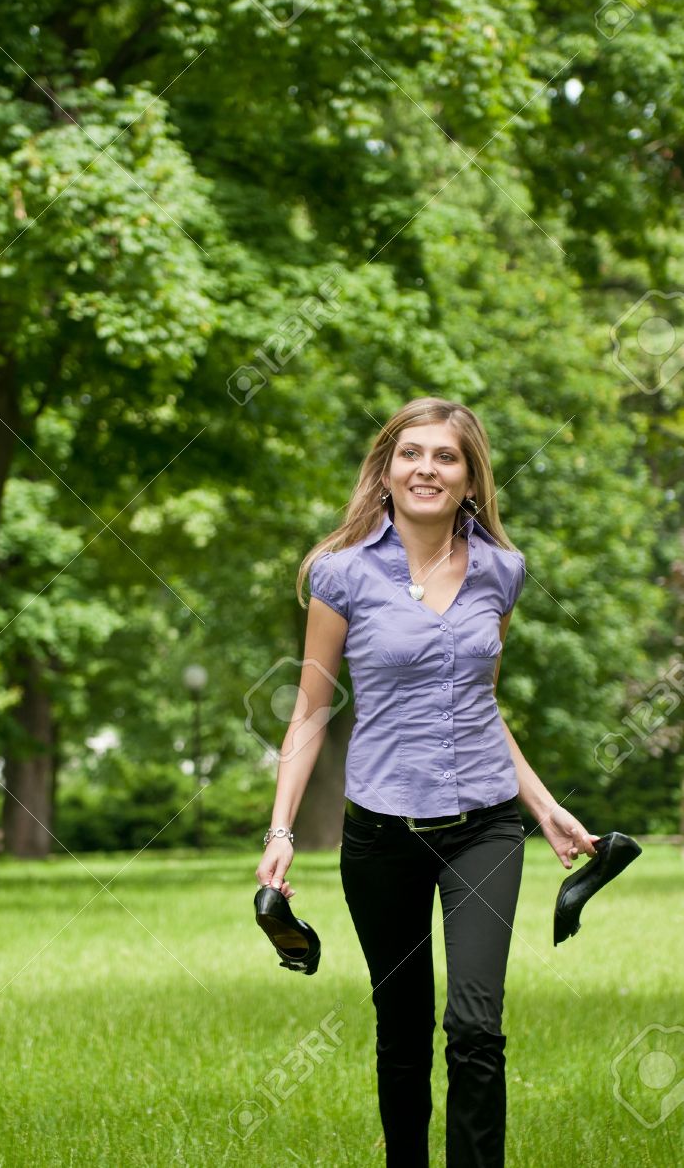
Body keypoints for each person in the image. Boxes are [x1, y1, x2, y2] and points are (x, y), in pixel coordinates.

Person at [255, 397, 600, 1168]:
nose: (426, 469)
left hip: (482, 828)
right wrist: (279, 831)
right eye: (411, 454)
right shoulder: (339, 575)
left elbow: (480, 706)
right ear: (384, 471)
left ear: (471, 479)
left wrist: (540, 807)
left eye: (446, 457)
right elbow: (309, 711)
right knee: (401, 1031)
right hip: (380, 834)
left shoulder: (500, 572)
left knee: (475, 1025)